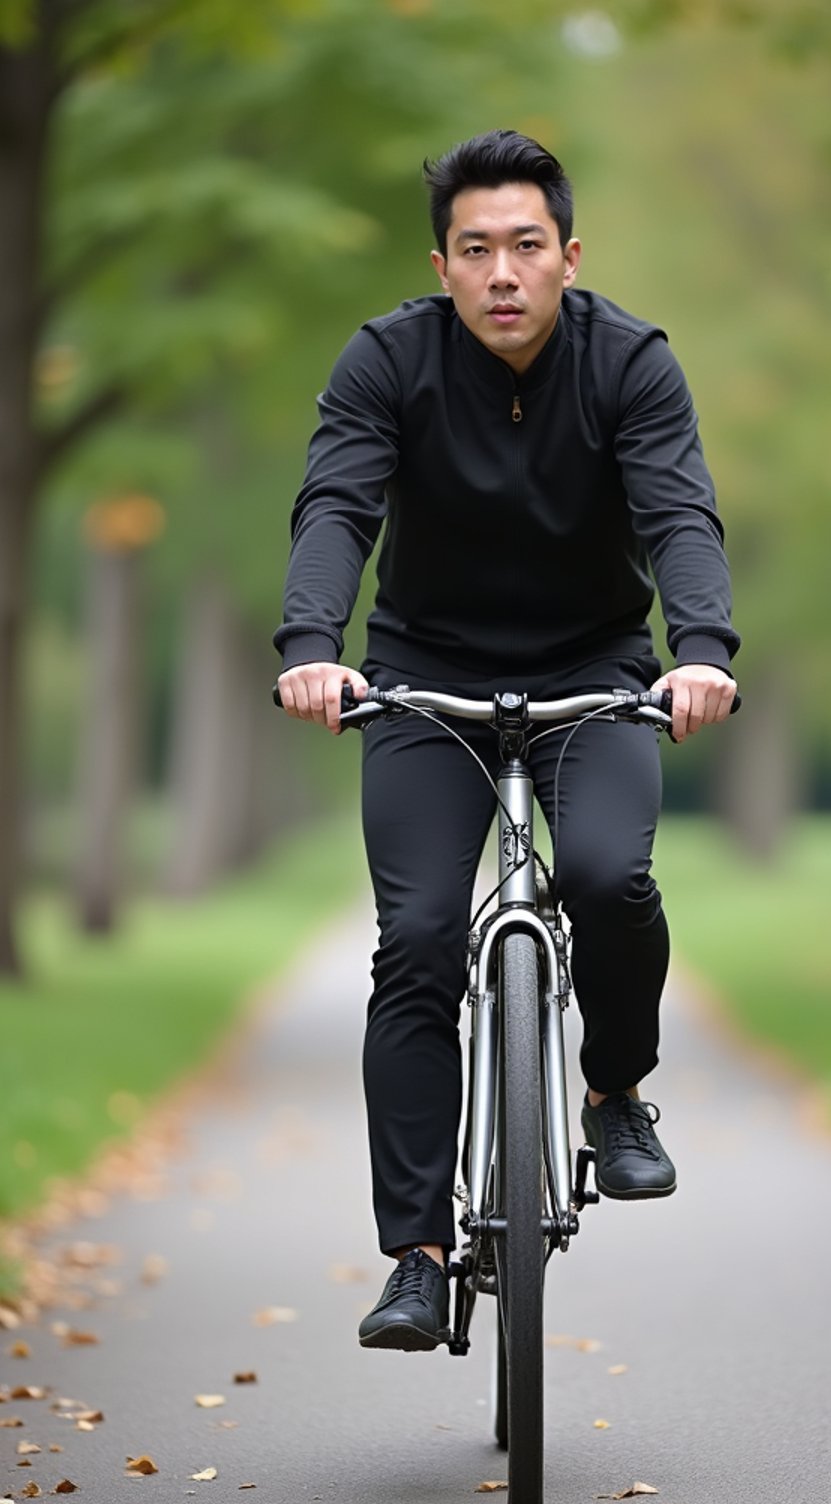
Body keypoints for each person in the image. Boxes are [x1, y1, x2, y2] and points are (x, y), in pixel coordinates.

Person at [274, 129, 740, 1352]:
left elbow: (678, 512)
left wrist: (702, 650)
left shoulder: (631, 363)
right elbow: (338, 504)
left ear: (567, 256)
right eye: (475, 250)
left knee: (606, 876)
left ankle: (615, 1092)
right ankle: (419, 1256)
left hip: (595, 672)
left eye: (525, 247)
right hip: (425, 681)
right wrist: (310, 644)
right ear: (442, 265)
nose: (502, 274)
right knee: (420, 936)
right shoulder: (387, 361)